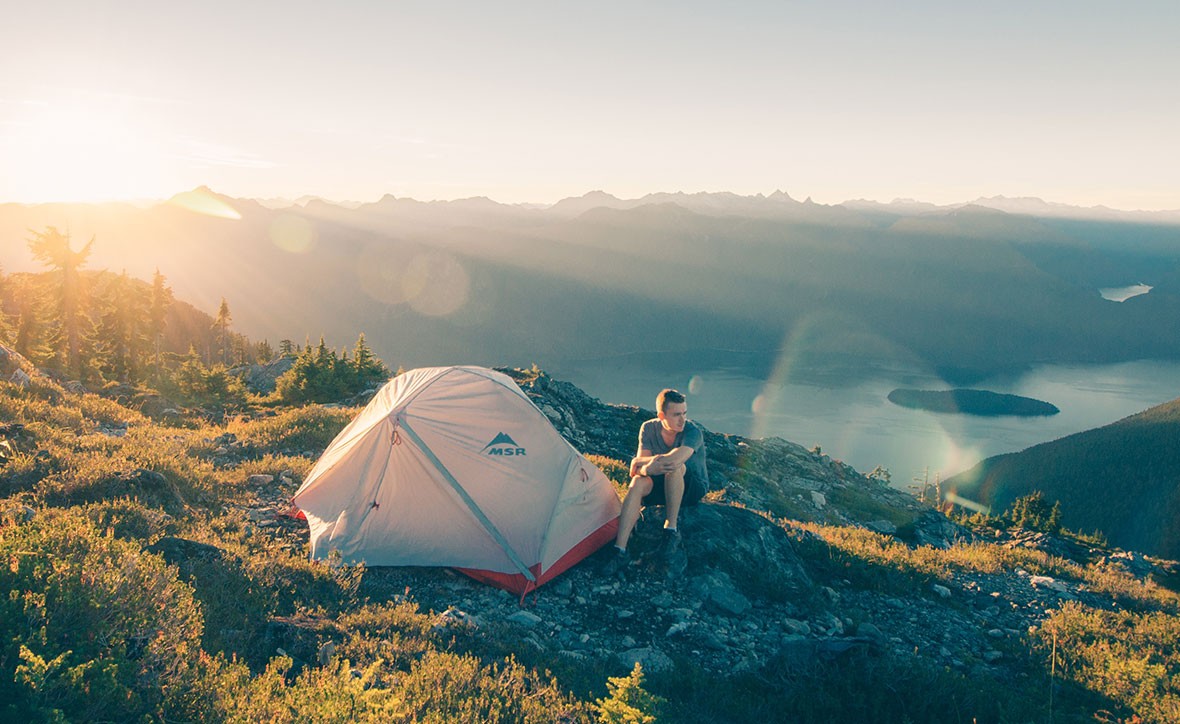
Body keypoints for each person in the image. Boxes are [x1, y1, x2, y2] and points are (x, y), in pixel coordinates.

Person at [601, 388, 708, 576]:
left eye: (684, 413)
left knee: (674, 467)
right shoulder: (649, 428)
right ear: (661, 416)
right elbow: (637, 469)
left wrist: (646, 464)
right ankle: (620, 549)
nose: (682, 419)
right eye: (676, 415)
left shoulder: (692, 432)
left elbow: (673, 460)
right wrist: (645, 469)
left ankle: (671, 530)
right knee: (637, 483)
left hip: (692, 487)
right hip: (661, 483)